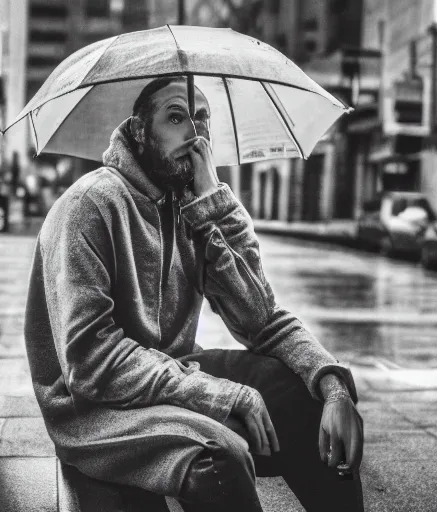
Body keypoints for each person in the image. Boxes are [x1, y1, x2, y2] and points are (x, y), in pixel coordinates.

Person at [24, 76, 364, 512]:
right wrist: (216, 395)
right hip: (93, 411)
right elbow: (91, 361)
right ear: (140, 130)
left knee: (308, 401)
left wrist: (334, 387)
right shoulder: (91, 204)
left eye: (202, 118)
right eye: (176, 117)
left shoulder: (190, 208)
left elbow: (260, 317)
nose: (194, 132)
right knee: (220, 455)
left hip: (170, 376)